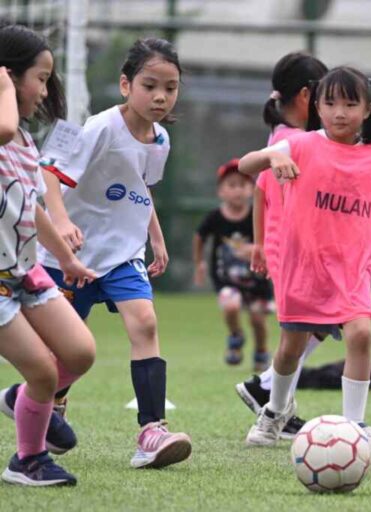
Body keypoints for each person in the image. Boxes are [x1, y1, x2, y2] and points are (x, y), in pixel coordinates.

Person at [1, 38, 192, 469]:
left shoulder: (161, 140)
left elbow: (141, 190)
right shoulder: (98, 128)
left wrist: (155, 238)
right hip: (73, 254)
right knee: (64, 355)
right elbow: (48, 176)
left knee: (144, 323)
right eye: (150, 85)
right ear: (126, 85)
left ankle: (151, 432)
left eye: (170, 87)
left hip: (124, 253)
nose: (160, 96)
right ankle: (39, 407)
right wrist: (64, 222)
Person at [238, 66, 371, 455]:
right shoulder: (299, 145)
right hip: (304, 269)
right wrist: (269, 158)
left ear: (369, 108)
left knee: (361, 335)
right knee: (289, 349)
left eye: (350, 103)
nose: (339, 112)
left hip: (352, 271)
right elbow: (246, 165)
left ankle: (355, 426)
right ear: (316, 104)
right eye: (330, 103)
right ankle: (274, 411)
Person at [0, 24, 96, 486]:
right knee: (41, 370)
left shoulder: (24, 141)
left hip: (26, 272)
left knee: (78, 353)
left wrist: (67, 259)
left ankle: (23, 400)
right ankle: (28, 460)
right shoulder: (1, 131)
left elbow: (34, 208)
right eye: (39, 77)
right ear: (8, 77)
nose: (44, 89)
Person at [234, 52, 328, 439]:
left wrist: (259, 243)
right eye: (329, 99)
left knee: (320, 324)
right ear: (308, 96)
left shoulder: (279, 138)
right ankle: (271, 392)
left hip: (284, 246)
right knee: (323, 321)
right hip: (298, 248)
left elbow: (259, 191)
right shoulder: (300, 142)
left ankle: (270, 390)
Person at [194, 159, 274, 370]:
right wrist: (200, 263)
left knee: (258, 318)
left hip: (257, 279)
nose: (237, 190)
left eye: (242, 185)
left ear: (252, 190)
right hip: (226, 278)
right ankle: (236, 336)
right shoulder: (215, 217)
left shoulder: (258, 216)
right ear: (221, 191)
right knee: (230, 305)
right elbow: (199, 237)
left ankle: (261, 351)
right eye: (231, 185)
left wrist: (263, 252)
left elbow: (273, 238)